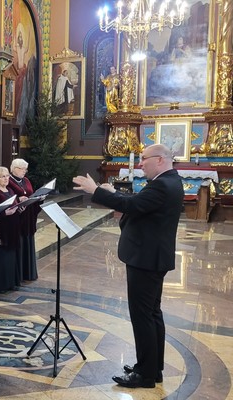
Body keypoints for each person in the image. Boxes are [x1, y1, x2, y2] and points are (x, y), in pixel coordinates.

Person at [72, 144, 184, 388]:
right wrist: (113, 192)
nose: (141, 163)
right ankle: (153, 369)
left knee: (143, 316)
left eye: (145, 159)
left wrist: (96, 191)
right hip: (153, 257)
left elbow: (132, 207)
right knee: (152, 314)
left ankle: (144, 375)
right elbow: (140, 203)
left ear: (161, 160)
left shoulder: (163, 185)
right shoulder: (171, 181)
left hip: (146, 259)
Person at [7, 158, 41, 282]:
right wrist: (18, 199)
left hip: (29, 217)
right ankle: (20, 275)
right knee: (20, 245)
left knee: (28, 242)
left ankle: (29, 273)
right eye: (22, 169)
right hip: (19, 218)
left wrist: (39, 198)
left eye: (25, 169)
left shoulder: (26, 180)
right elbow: (9, 197)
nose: (24, 172)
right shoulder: (9, 181)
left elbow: (30, 193)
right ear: (14, 169)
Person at [0, 166, 19, 293]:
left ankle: (10, 282)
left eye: (7, 176)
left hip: (12, 228)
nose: (6, 179)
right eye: (3, 176)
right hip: (1, 229)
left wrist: (19, 208)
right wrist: (5, 213)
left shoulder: (10, 190)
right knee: (1, 259)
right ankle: (0, 285)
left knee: (10, 258)